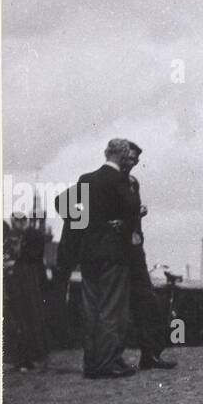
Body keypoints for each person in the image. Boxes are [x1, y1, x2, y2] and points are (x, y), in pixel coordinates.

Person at [71, 140, 138, 378]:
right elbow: (132, 208)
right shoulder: (119, 180)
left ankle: (91, 363)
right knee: (111, 308)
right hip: (112, 252)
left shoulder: (86, 178)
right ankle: (107, 363)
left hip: (88, 252)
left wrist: (89, 225)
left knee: (91, 309)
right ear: (121, 156)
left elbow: (66, 205)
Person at [118, 141, 177, 371]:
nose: (134, 163)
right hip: (119, 251)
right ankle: (118, 356)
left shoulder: (133, 183)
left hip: (135, 249)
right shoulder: (113, 183)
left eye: (136, 160)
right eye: (131, 158)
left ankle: (149, 354)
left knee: (147, 302)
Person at [4, 212, 50, 372]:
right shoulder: (18, 235)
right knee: (25, 319)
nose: (20, 222)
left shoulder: (31, 235)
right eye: (17, 219)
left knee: (28, 318)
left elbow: (31, 257)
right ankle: (29, 355)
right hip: (23, 283)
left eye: (22, 219)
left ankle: (31, 355)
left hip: (28, 282)